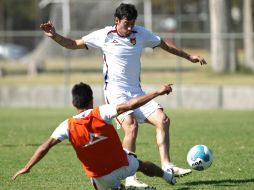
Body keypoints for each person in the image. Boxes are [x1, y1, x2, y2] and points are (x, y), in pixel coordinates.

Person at [40, 3, 207, 188]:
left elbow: (165, 45)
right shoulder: (104, 35)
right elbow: (74, 44)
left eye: (132, 24)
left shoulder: (141, 33)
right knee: (131, 126)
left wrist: (189, 56)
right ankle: (130, 177)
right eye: (126, 24)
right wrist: (54, 35)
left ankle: (167, 166)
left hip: (136, 91)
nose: (129, 28)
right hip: (115, 94)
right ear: (116, 20)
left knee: (163, 120)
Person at [12, 82, 176, 190]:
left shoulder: (66, 126)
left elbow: (44, 147)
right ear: (91, 100)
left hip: (100, 178)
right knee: (142, 165)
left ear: (74, 104)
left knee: (99, 182)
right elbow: (130, 104)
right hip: (123, 165)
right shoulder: (101, 111)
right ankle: (168, 177)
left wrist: (27, 167)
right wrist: (157, 92)